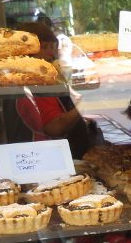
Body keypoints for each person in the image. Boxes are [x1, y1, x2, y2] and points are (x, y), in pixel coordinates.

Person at [13, 21, 95, 157]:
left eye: (53, 47)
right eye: (44, 47)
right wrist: (87, 103)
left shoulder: (47, 80)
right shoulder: (36, 85)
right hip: (48, 155)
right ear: (25, 52)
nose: (51, 53)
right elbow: (55, 127)